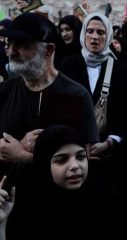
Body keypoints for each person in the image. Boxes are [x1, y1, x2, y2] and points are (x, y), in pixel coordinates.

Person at [0, 13, 99, 239]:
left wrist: (22, 156)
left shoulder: (76, 96)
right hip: (8, 210)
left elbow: (83, 166)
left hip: (56, 214)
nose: (12, 51)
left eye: (22, 45)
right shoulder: (4, 92)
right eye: (9, 44)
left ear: (49, 50)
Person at [60, 12, 127, 195]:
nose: (94, 37)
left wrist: (110, 143)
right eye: (90, 31)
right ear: (83, 33)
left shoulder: (120, 70)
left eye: (100, 33)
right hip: (72, 159)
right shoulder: (67, 65)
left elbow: (126, 116)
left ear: (108, 36)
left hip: (108, 162)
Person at [12, 125, 127, 239]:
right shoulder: (28, 207)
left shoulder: (105, 198)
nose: (75, 166)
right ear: (44, 165)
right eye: (62, 160)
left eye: (81, 157)